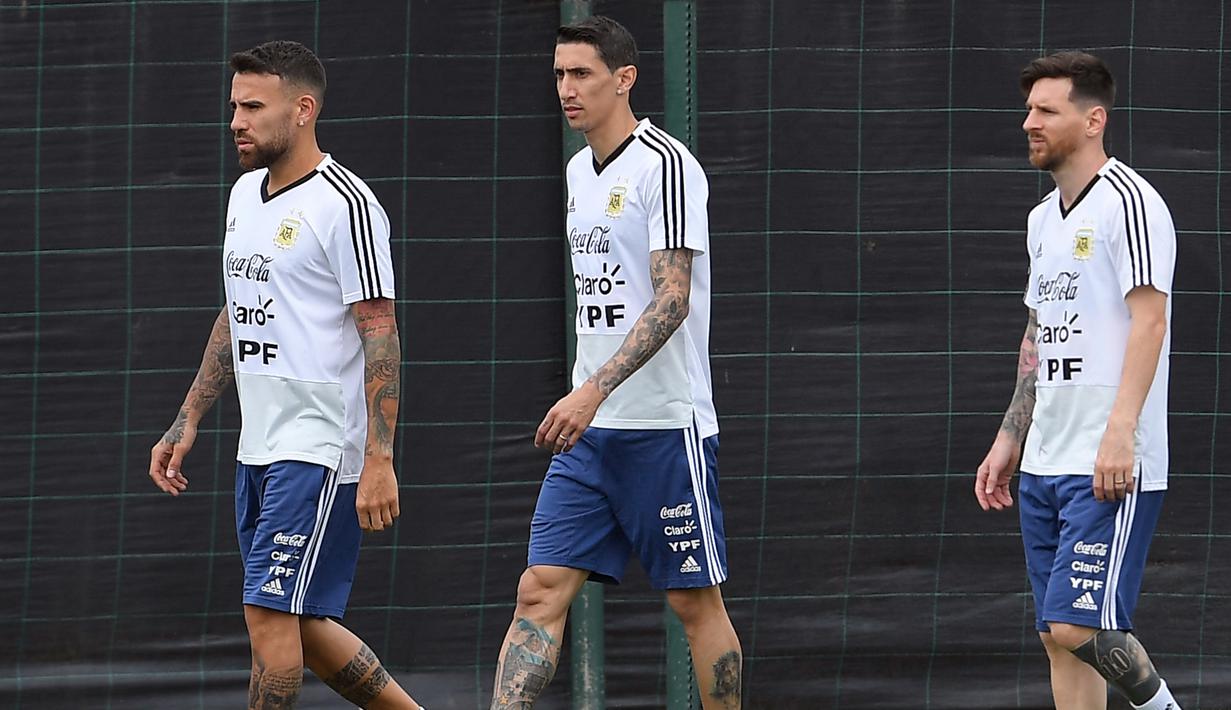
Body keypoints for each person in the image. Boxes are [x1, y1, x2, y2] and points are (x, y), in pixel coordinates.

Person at [147, 40, 423, 710]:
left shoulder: (345, 204)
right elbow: (238, 310)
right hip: (259, 445)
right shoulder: (245, 193)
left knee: (267, 617)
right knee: (302, 625)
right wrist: (187, 417)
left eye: (252, 107)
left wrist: (379, 458)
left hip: (318, 445)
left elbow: (380, 333)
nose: (236, 121)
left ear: (302, 110)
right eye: (233, 106)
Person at [488, 16, 741, 710]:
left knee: (694, 602)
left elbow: (672, 300)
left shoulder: (666, 165)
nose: (566, 89)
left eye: (582, 74)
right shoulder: (579, 170)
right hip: (590, 437)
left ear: (624, 79)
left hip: (663, 428)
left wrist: (591, 390)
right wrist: (589, 399)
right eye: (559, 75)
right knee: (539, 590)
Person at [976, 51, 1181, 710]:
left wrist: (1120, 434)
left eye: (1046, 110)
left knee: (1077, 625)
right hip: (1045, 458)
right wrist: (1011, 436)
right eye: (1028, 109)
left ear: (1093, 120)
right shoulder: (1041, 219)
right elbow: (1038, 334)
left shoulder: (1130, 202)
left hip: (1107, 458)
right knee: (1056, 638)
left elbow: (1150, 322)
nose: (1029, 122)